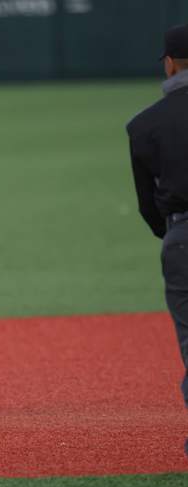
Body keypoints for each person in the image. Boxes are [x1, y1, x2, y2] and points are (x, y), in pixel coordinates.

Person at [126, 23, 188, 408]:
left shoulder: (144, 125)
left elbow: (148, 204)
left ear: (169, 65)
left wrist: (173, 234)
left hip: (182, 238)